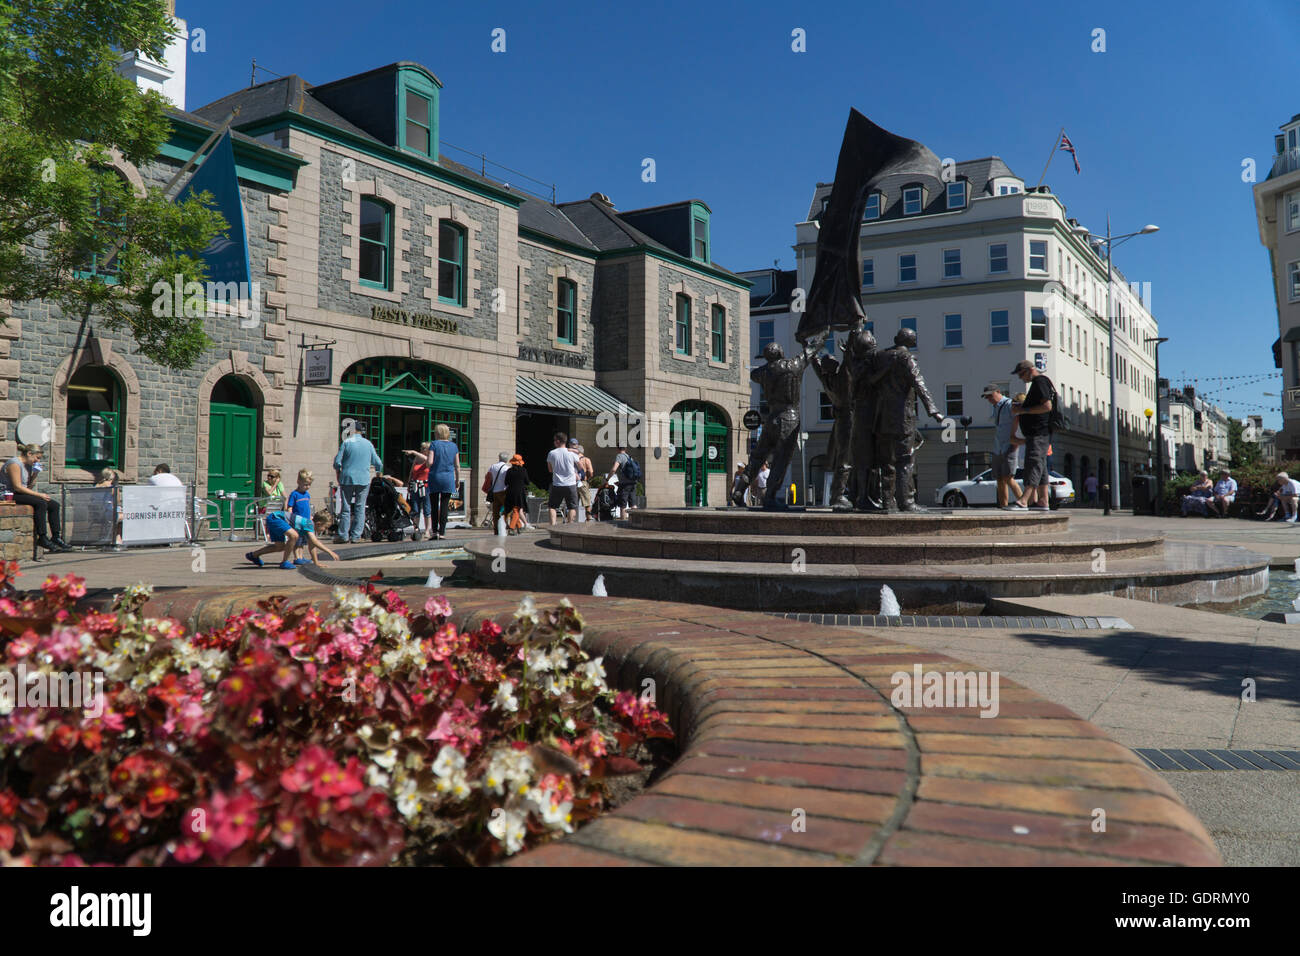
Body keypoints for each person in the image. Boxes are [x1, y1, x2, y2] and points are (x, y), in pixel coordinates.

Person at [1, 444, 68, 552]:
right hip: (8, 494)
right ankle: (42, 537)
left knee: (54, 504)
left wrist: (35, 474)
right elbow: (17, 487)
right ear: (29, 454)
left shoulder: (28, 465)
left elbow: (28, 486)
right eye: (37, 458)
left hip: (20, 493)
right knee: (40, 503)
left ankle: (56, 536)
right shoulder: (14, 464)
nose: (37, 461)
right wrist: (39, 495)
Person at [1008, 360, 1055, 511]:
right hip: (1038, 433)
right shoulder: (1039, 383)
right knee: (1040, 466)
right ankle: (1043, 501)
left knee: (1033, 464)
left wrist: (1023, 410)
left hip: (1038, 433)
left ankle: (1023, 500)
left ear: (1029, 370)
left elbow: (1047, 406)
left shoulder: (1040, 382)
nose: (1021, 378)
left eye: (1021, 374)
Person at [333, 420, 382, 544]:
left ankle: (343, 535)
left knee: (346, 507)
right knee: (360, 507)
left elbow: (337, 462)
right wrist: (378, 472)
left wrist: (338, 471)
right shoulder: (368, 444)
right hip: (363, 479)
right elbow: (378, 463)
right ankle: (356, 536)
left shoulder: (346, 443)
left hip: (347, 478)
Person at [982, 384, 1018, 509]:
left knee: (1008, 477)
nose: (989, 399)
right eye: (987, 397)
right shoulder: (996, 407)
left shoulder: (1009, 404)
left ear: (998, 392)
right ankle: (1004, 505)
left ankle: (1022, 502)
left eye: (990, 396)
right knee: (999, 478)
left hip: (1009, 445)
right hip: (998, 447)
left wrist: (1016, 442)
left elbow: (1017, 421)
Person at [428, 424, 460, 540]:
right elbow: (457, 466)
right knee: (445, 505)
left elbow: (430, 462)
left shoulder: (434, 444)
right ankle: (442, 532)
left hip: (435, 477)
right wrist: (457, 480)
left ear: (437, 433)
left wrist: (427, 463)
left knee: (434, 505)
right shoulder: (454, 446)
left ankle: (434, 532)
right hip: (448, 478)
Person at [547, 431, 580, 525]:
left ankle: (553, 526)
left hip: (557, 484)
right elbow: (580, 466)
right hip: (571, 484)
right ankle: (569, 526)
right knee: (572, 507)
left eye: (554, 440)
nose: (554, 442)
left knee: (552, 507)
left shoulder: (551, 453)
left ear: (557, 441)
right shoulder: (572, 453)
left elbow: (550, 470)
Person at [404, 441, 432, 540]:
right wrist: (408, 483)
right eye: (422, 448)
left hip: (426, 486)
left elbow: (427, 460)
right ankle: (416, 529)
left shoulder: (429, 459)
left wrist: (413, 452)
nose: (422, 450)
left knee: (427, 509)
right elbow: (412, 471)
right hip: (415, 486)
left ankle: (428, 530)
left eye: (424, 448)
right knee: (415, 509)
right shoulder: (417, 458)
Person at [569, 439, 595, 521]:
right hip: (583, 482)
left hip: (572, 482)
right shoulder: (586, 459)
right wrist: (587, 478)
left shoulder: (570, 458)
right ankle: (588, 519)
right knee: (587, 503)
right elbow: (591, 472)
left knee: (572, 504)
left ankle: (571, 521)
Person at [483, 451, 511, 529]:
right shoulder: (507, 468)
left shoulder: (493, 466)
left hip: (495, 491)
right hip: (504, 491)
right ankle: (504, 524)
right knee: (507, 509)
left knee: (495, 512)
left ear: (499, 458)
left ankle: (496, 529)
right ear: (507, 459)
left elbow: (488, 477)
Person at [503, 453, 530, 533]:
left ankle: (519, 526)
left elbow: (506, 482)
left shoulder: (509, 471)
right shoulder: (523, 470)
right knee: (516, 510)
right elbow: (527, 482)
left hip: (510, 492)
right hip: (519, 493)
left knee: (513, 509)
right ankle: (511, 528)